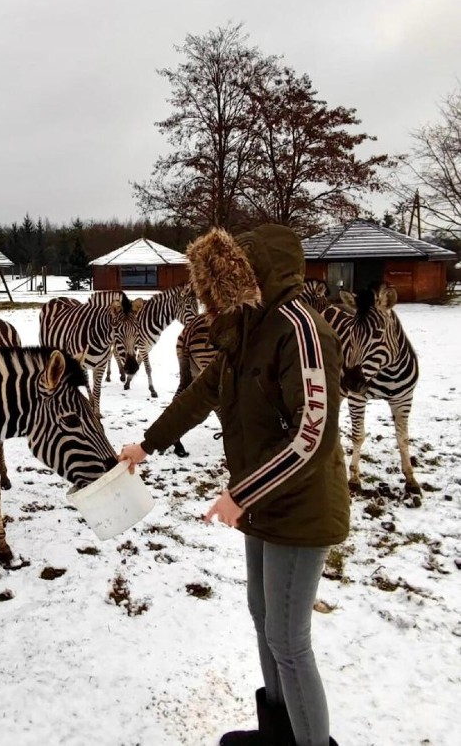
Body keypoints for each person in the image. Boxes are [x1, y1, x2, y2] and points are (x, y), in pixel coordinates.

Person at [120, 224, 348, 746]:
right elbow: (201, 394)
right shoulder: (248, 329)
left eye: (223, 283)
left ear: (252, 276)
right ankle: (279, 732)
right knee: (263, 618)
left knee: (290, 640)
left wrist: (240, 494)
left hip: (300, 506)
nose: (214, 298)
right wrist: (146, 445)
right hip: (262, 503)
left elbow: (312, 436)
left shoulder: (301, 330)